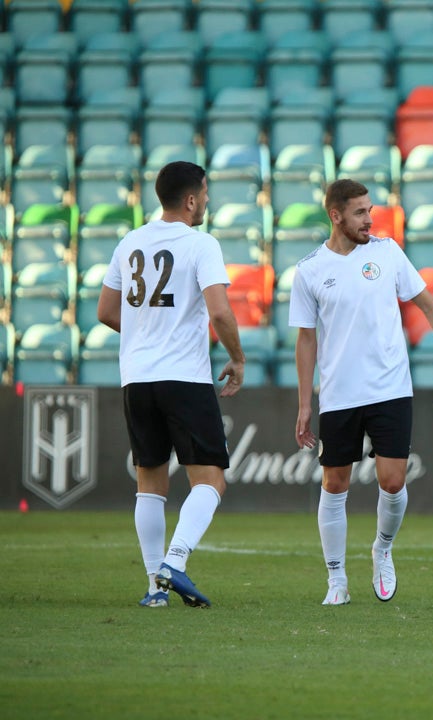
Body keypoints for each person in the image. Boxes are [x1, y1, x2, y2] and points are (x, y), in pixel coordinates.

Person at [290, 179, 433, 606]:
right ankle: (336, 579)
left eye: (371, 210)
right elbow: (306, 340)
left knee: (393, 479)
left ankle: (382, 550)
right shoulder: (310, 270)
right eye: (360, 212)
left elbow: (428, 303)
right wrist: (304, 404)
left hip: (390, 388)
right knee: (335, 483)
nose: (370, 219)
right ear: (336, 216)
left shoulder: (387, 253)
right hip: (339, 395)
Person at [97, 160, 246, 609]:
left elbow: (105, 311)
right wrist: (237, 358)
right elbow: (219, 311)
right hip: (183, 376)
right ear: (191, 199)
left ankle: (152, 588)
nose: (207, 200)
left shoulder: (130, 242)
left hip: (137, 378)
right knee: (211, 480)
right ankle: (174, 562)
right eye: (205, 192)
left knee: (150, 482)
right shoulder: (201, 244)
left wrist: (147, 334)